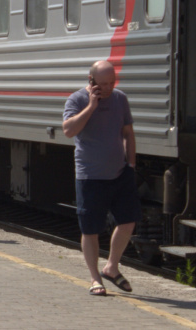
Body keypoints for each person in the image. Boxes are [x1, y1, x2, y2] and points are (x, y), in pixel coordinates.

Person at [63, 60, 140, 296]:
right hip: (90, 175)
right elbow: (68, 130)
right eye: (103, 84)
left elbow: (128, 132)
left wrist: (131, 164)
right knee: (91, 229)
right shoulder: (76, 100)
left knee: (128, 221)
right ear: (91, 81)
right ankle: (95, 278)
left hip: (120, 173)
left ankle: (111, 266)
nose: (108, 88)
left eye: (111, 82)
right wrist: (91, 106)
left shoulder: (120, 99)